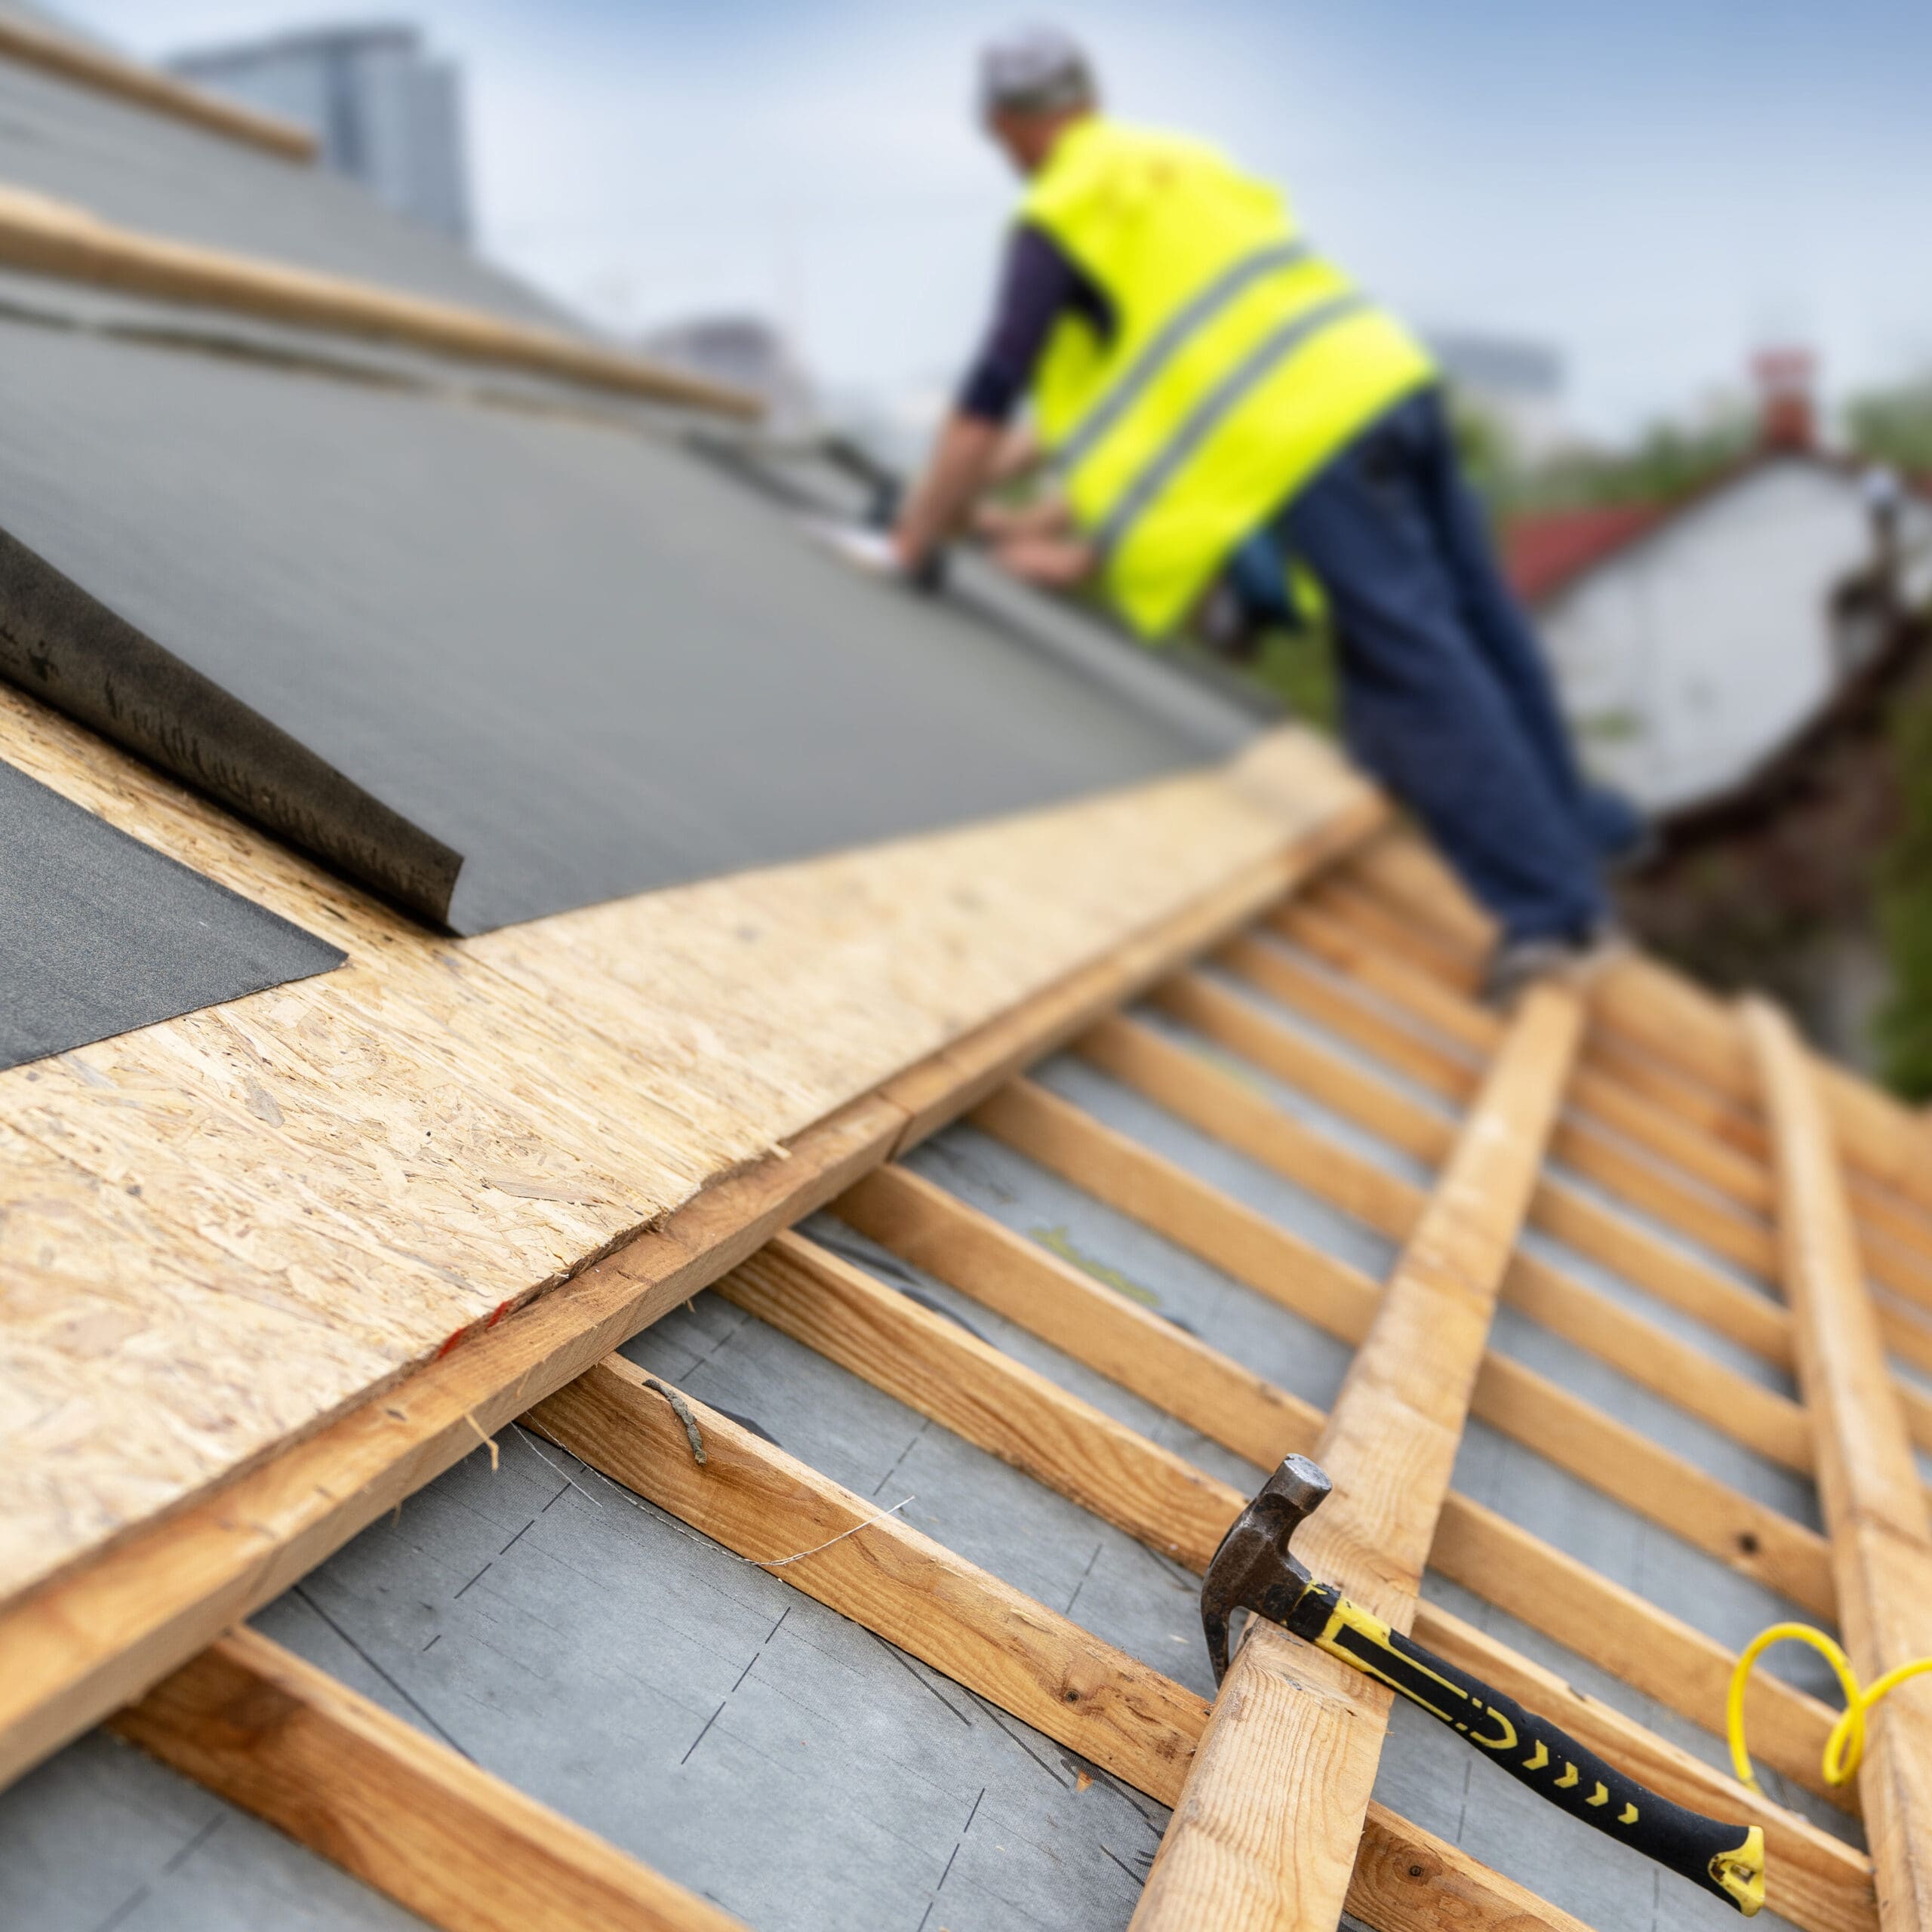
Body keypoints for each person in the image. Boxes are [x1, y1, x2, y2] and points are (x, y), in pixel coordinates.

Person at [891, 27, 1644, 1004]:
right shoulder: (1178, 163)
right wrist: (1022, 511)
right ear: (1088, 96)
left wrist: (916, 534)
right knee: (1480, 624)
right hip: (1387, 381)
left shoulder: (1062, 214)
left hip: (1311, 442)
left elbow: (987, 402)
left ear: (1006, 127)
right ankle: (1574, 840)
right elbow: (1141, 396)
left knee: (1413, 675)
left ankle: (1556, 918)